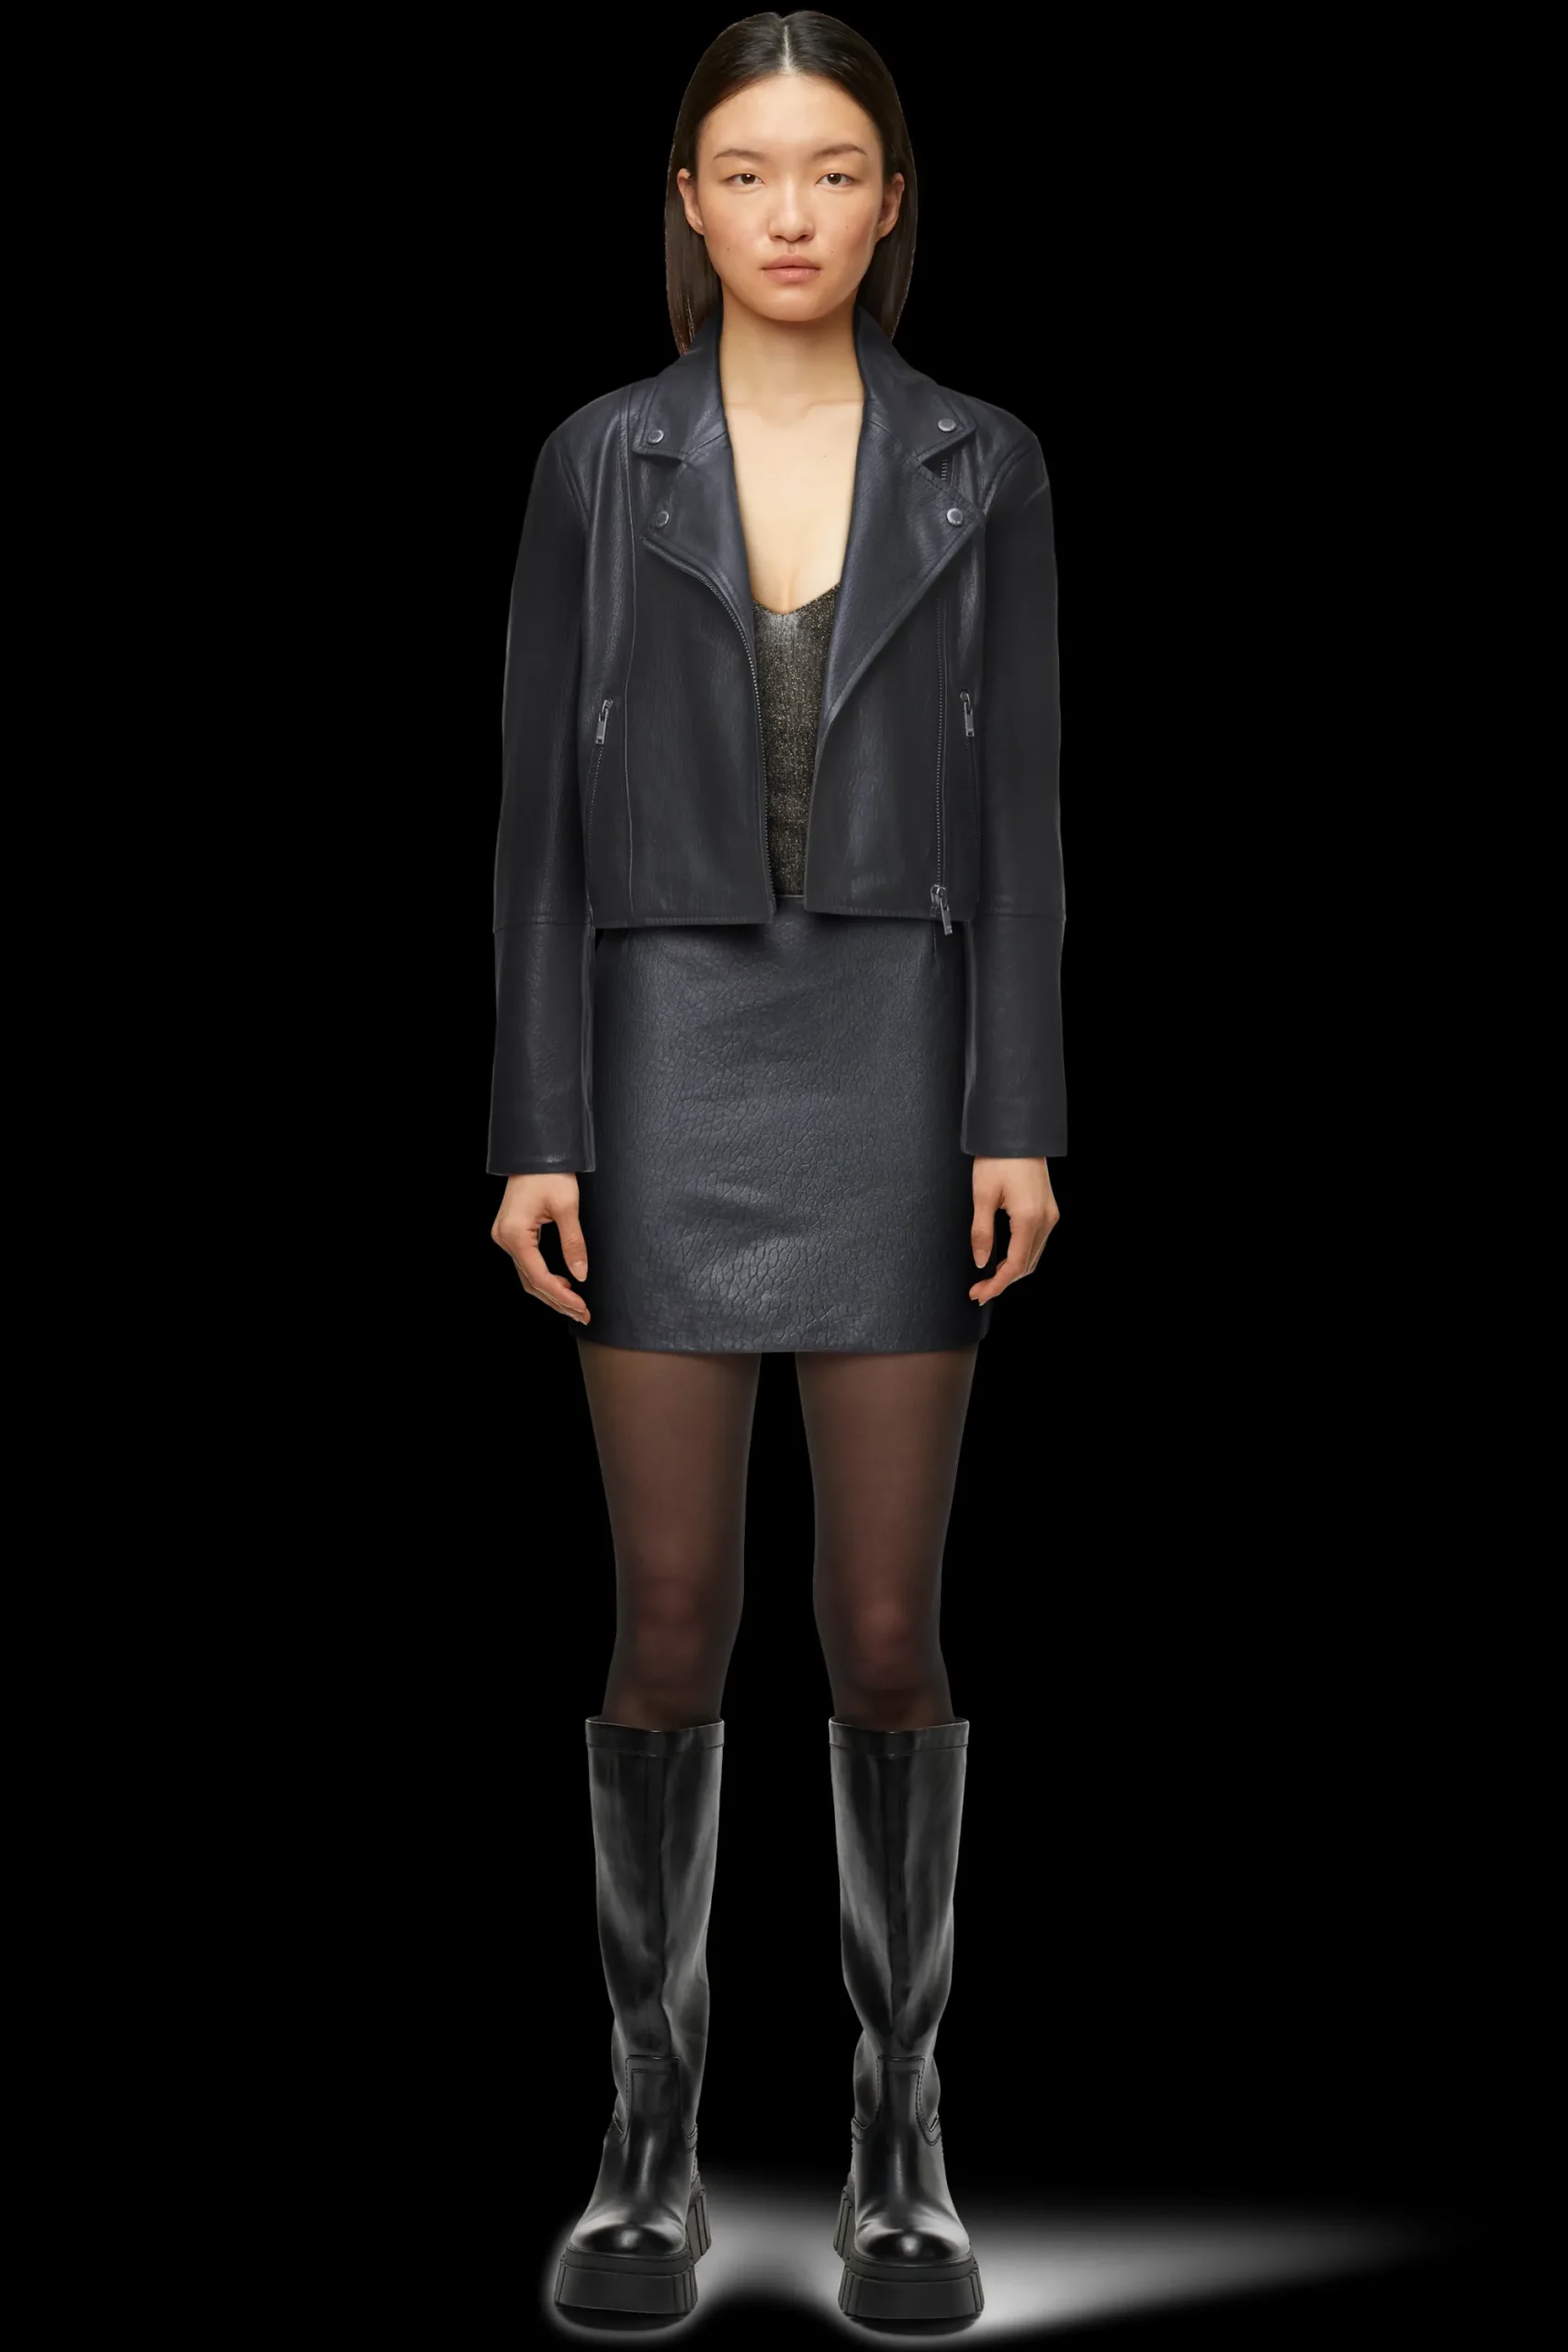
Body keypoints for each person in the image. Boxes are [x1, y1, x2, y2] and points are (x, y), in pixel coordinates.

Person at [487, 9, 1065, 2324]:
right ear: (687, 201)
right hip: (657, 1041)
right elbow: (533, 823)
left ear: (893, 198)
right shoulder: (596, 461)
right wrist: (536, 1122)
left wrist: (1016, 1101)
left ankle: (897, 2133)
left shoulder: (985, 463)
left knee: (889, 1625)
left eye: (833, 170)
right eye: (747, 171)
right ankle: (645, 2137)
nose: (791, 213)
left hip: (900, 1043)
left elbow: (1023, 814)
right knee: (665, 1609)